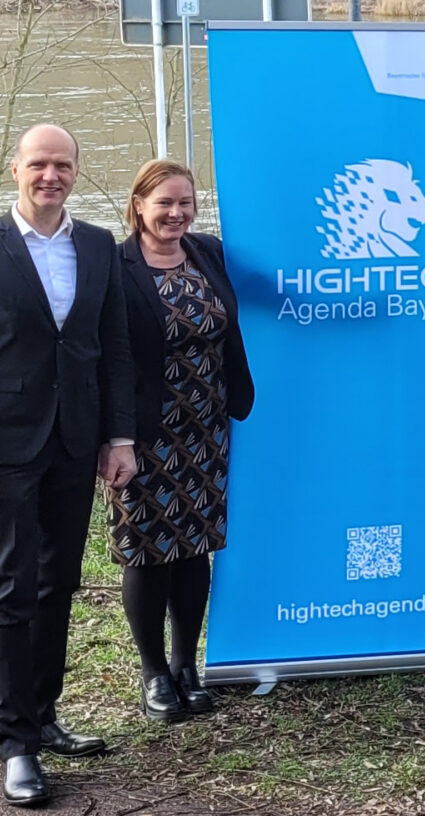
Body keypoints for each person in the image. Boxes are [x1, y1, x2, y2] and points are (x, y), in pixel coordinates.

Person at [0, 124, 137, 805]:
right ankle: (14, 744)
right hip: (0, 449)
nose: (51, 175)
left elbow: (112, 350)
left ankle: (44, 717)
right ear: (15, 169)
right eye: (39, 164)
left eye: (64, 165)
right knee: (8, 590)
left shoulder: (97, 246)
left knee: (58, 585)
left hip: (76, 445)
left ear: (77, 172)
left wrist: (119, 438)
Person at [112, 158, 251, 723]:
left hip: (206, 425)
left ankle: (185, 665)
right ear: (139, 205)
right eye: (164, 202)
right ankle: (152, 673)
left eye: (185, 203)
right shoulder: (114, 265)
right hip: (143, 432)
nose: (176, 213)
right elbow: (107, 355)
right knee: (146, 550)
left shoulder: (207, 252)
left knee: (195, 547)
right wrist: (112, 436)